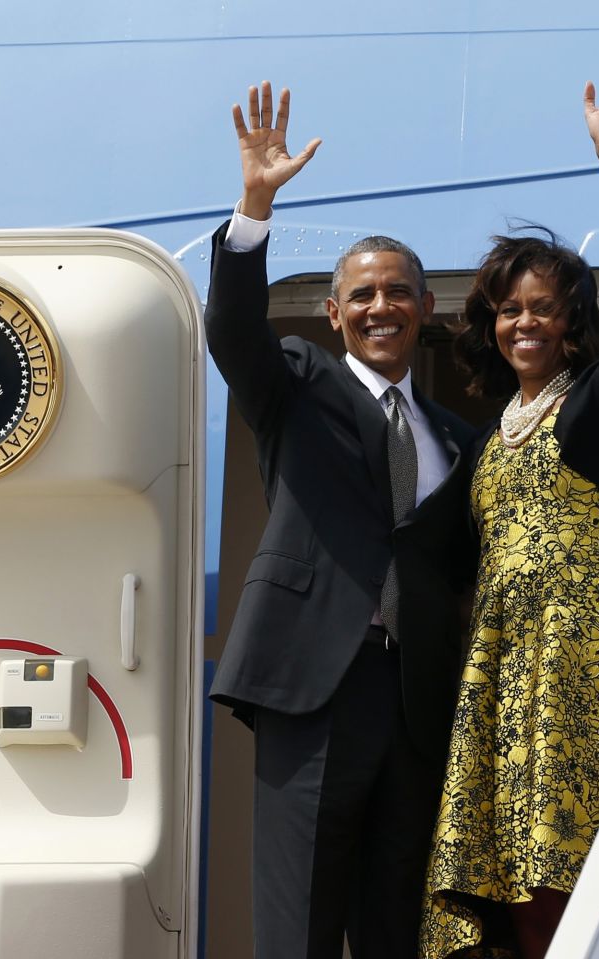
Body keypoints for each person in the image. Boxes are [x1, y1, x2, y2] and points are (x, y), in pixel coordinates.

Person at [205, 81, 477, 958]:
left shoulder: (458, 441)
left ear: (425, 309)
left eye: (398, 292)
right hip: (315, 685)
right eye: (360, 296)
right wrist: (255, 207)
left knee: (398, 919)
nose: (380, 307)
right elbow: (232, 333)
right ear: (334, 314)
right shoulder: (296, 383)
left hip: (415, 699)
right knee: (303, 922)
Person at [420, 48, 599, 959]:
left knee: (570, 868)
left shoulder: (598, 403)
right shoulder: (485, 442)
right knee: (511, 877)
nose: (525, 322)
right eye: (509, 308)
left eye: (544, 308)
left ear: (571, 320)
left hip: (581, 662)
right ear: (492, 321)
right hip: (504, 663)